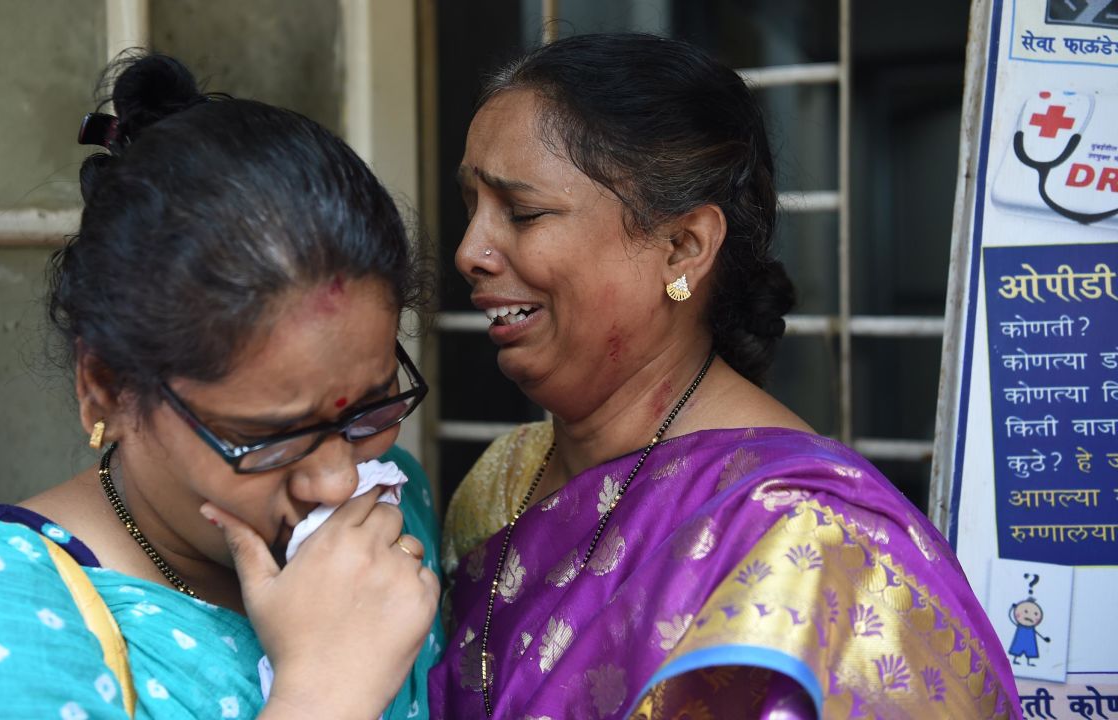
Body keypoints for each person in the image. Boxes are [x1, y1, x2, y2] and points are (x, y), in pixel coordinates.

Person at [429, 33, 1018, 719]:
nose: (470, 251)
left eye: (522, 213)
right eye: (471, 206)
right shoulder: (501, 485)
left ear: (682, 247)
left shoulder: (815, 543)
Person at [0, 54, 442, 719]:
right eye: (267, 436)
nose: (335, 480)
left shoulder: (394, 513)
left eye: (372, 407)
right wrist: (326, 692)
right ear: (105, 387)